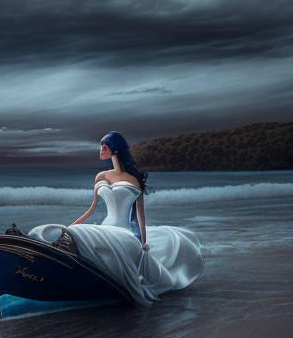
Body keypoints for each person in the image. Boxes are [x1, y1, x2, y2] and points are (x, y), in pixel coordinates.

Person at [28, 131, 204, 307]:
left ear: (115, 150)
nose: (100, 150)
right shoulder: (101, 176)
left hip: (124, 231)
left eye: (104, 147)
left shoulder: (134, 180)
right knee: (76, 233)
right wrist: (69, 226)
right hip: (105, 227)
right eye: (100, 146)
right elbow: (92, 209)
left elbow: (141, 215)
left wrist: (143, 242)